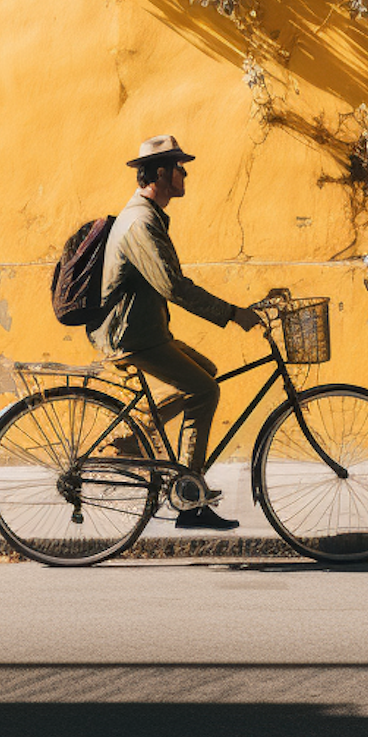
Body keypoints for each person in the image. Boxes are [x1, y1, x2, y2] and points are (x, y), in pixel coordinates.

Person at [87, 134, 262, 532]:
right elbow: (174, 286)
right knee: (204, 390)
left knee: (205, 370)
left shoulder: (148, 216)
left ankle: (134, 442)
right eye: (180, 167)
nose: (185, 174)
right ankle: (188, 498)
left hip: (146, 330)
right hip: (131, 336)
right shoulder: (141, 222)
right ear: (162, 173)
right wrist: (233, 313)